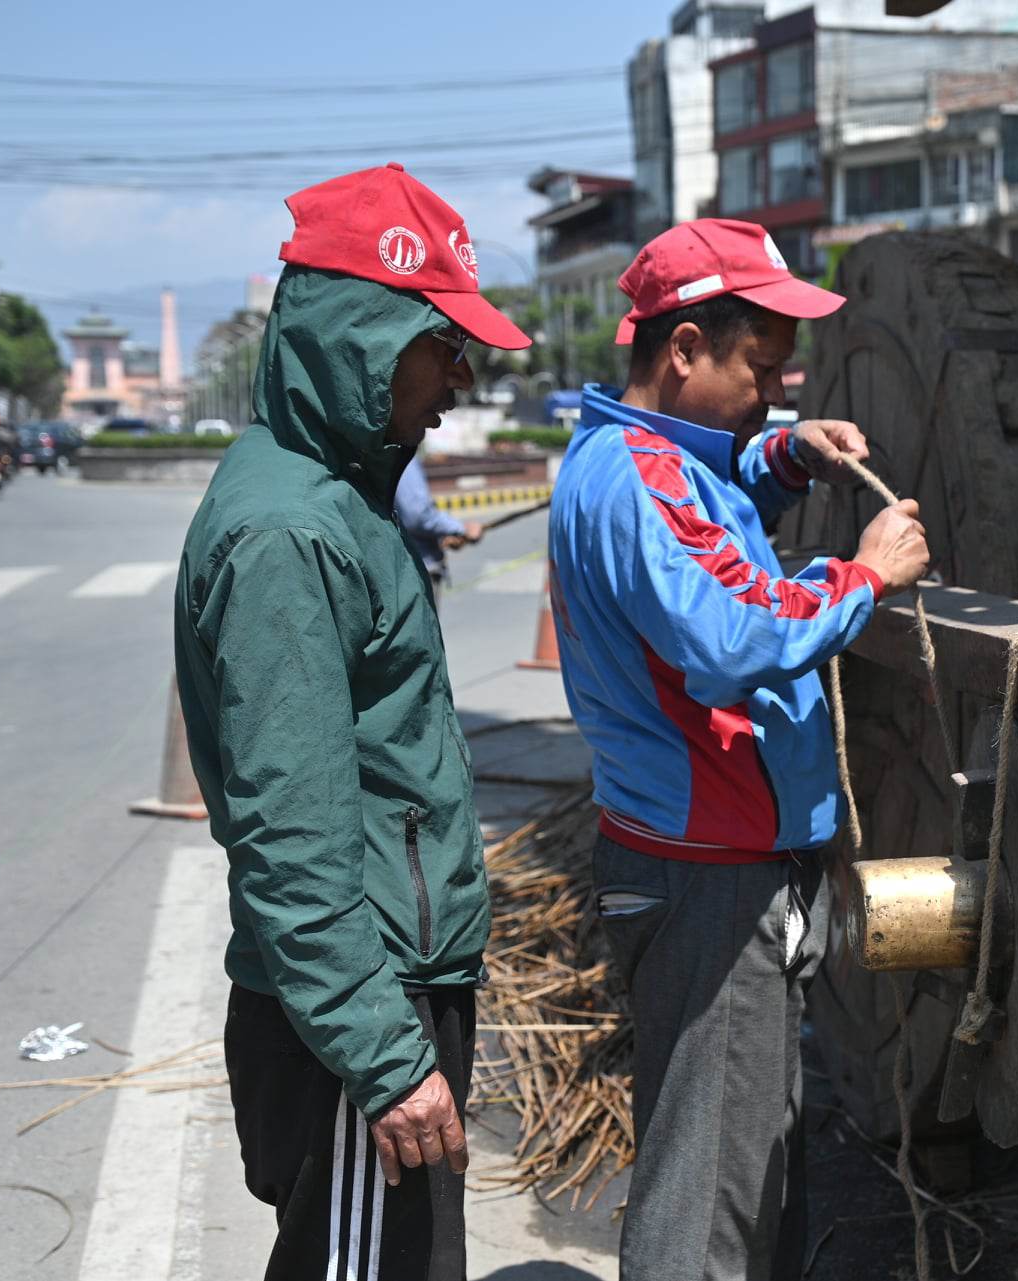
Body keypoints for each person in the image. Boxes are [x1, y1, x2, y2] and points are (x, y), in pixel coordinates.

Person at [548, 218, 930, 1280]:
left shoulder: (641, 457)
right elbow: (729, 635)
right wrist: (863, 574)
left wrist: (782, 453)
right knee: (708, 1206)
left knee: (745, 1167)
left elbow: (713, 506)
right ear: (682, 351)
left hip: (704, 863)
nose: (772, 391)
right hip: (708, 880)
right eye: (759, 371)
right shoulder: (637, 483)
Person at [173, 162, 531, 1281]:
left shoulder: (341, 495)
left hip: (378, 990)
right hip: (355, 1016)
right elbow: (295, 836)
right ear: (362, 337)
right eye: (442, 346)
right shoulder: (289, 534)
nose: (459, 382)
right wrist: (385, 1058)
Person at [394, 452, 482, 611]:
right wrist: (460, 529)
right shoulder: (400, 453)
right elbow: (417, 515)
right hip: (415, 570)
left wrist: (445, 535)